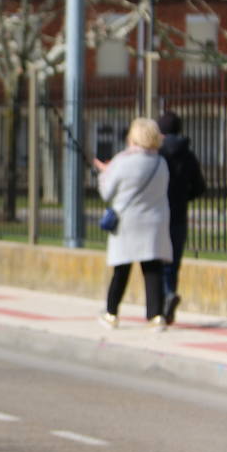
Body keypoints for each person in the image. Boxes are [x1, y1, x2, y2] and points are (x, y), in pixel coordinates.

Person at [94, 117, 172, 331]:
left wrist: (104, 173)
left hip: (127, 222)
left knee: (121, 268)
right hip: (154, 221)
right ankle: (156, 316)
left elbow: (107, 192)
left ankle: (111, 313)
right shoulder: (160, 162)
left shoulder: (122, 161)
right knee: (152, 268)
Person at [157, 111, 206, 325]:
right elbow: (200, 187)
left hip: (158, 212)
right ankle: (170, 298)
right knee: (173, 262)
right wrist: (184, 197)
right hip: (179, 214)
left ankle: (163, 301)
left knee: (158, 261)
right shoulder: (189, 155)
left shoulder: (157, 154)